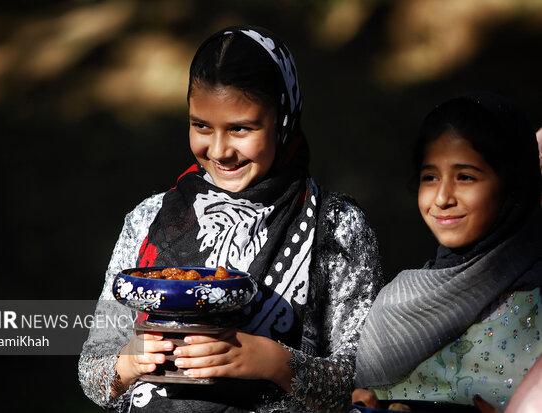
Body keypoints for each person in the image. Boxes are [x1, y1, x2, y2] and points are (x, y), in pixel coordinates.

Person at [78, 25, 382, 412]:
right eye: (201, 126)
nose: (220, 151)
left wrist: (272, 361)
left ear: (283, 119)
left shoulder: (336, 227)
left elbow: (362, 383)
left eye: (241, 128)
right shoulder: (149, 221)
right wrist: (129, 362)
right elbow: (93, 370)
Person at [354, 92, 541, 412]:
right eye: (430, 177)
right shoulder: (397, 300)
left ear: (512, 182)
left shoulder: (534, 301)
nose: (442, 198)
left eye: (465, 177)